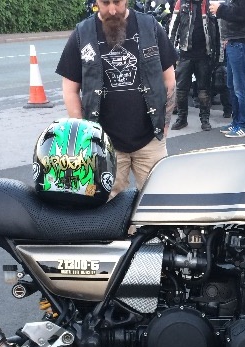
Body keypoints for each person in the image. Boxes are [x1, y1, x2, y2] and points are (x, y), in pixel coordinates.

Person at [56, 0, 177, 198]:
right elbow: (70, 90)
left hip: (150, 139)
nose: (112, 10)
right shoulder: (82, 33)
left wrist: (165, 122)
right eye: (105, 3)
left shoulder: (151, 27)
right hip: (104, 144)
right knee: (105, 205)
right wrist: (84, 133)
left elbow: (169, 79)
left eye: (117, 2)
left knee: (158, 201)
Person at [208, 0, 245, 138]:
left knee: (240, 86)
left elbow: (242, 12)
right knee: (234, 85)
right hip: (239, 39)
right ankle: (237, 122)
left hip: (243, 39)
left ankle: (244, 125)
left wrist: (220, 9)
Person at [169, 0, 220, 132]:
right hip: (185, 54)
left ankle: (205, 119)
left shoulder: (210, 4)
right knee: (181, 89)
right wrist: (170, 52)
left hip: (204, 54)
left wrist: (218, 56)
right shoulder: (181, 3)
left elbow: (218, 30)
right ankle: (182, 118)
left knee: (204, 90)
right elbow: (173, 28)